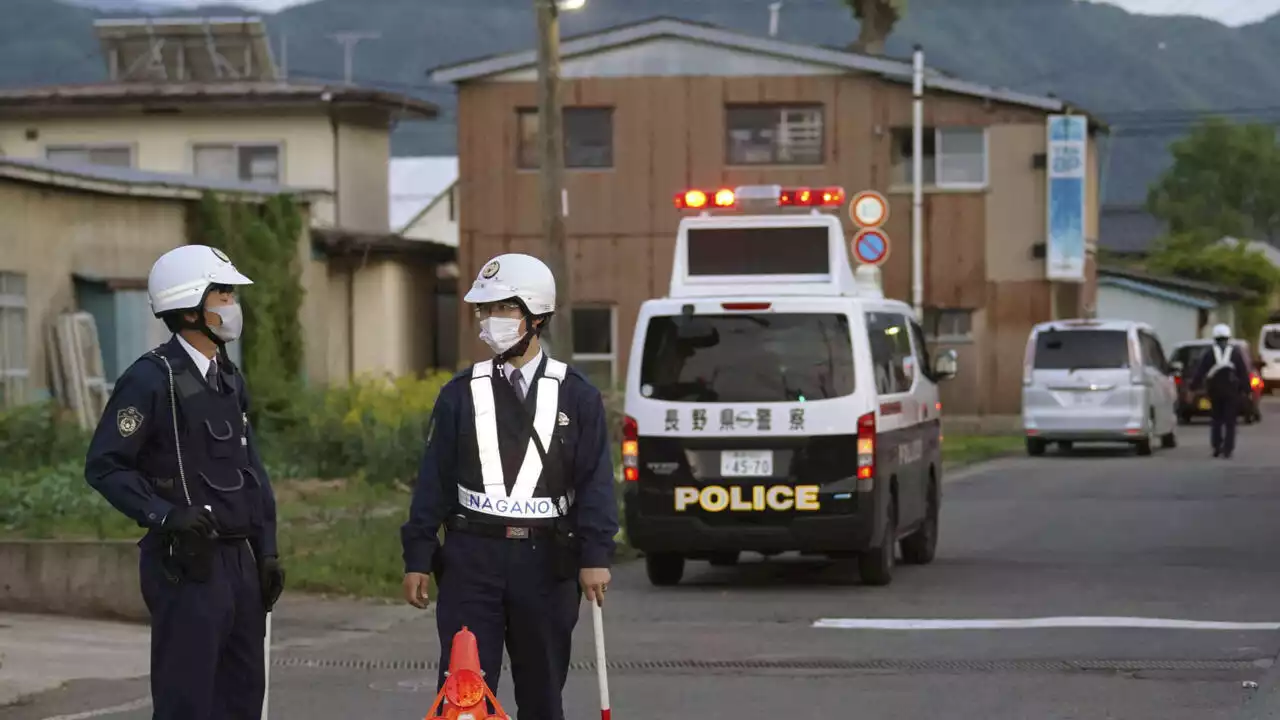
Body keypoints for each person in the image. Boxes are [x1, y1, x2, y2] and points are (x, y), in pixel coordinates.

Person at [400, 252, 619, 720]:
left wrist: (596, 555)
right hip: (470, 560)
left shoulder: (576, 394)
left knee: (542, 694)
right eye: (485, 310)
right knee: (464, 693)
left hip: (546, 564)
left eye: (503, 309)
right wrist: (418, 555)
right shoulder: (460, 391)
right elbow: (433, 479)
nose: (489, 321)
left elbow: (596, 479)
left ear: (536, 316)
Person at [84, 244, 285, 720]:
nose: (232, 305)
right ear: (190, 305)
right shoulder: (151, 379)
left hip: (240, 563)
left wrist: (268, 549)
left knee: (242, 701)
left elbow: (251, 473)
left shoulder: (229, 379)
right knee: (187, 704)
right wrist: (165, 515)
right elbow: (105, 465)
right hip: (188, 565)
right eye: (223, 294)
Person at [1190, 323, 1251, 459]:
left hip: (1215, 391)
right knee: (1230, 421)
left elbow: (1200, 371)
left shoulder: (1209, 353)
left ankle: (1217, 446)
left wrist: (1193, 387)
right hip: (1232, 392)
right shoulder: (1235, 353)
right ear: (1228, 337)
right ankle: (1228, 448)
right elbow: (1242, 373)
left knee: (1216, 419)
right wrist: (1247, 390)